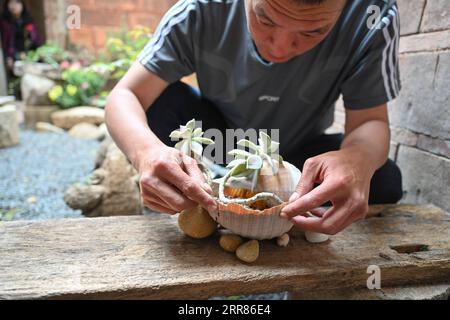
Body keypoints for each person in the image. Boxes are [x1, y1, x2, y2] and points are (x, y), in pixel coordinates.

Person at [105, 0, 403, 235]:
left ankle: (279, 197)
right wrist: (146, 154)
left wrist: (356, 160)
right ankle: (211, 181)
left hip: (297, 158)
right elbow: (124, 96)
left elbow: (369, 121)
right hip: (222, 142)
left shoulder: (373, 16)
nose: (280, 47)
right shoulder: (198, 10)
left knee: (384, 178)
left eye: (313, 31)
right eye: (265, 18)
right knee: (161, 101)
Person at [1, 0, 42, 93]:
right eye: (11, 3)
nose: (14, 6)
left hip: (29, 53)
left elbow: (36, 39)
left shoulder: (27, 19)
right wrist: (9, 57)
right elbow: (6, 41)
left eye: (17, 2)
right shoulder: (5, 22)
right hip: (13, 54)